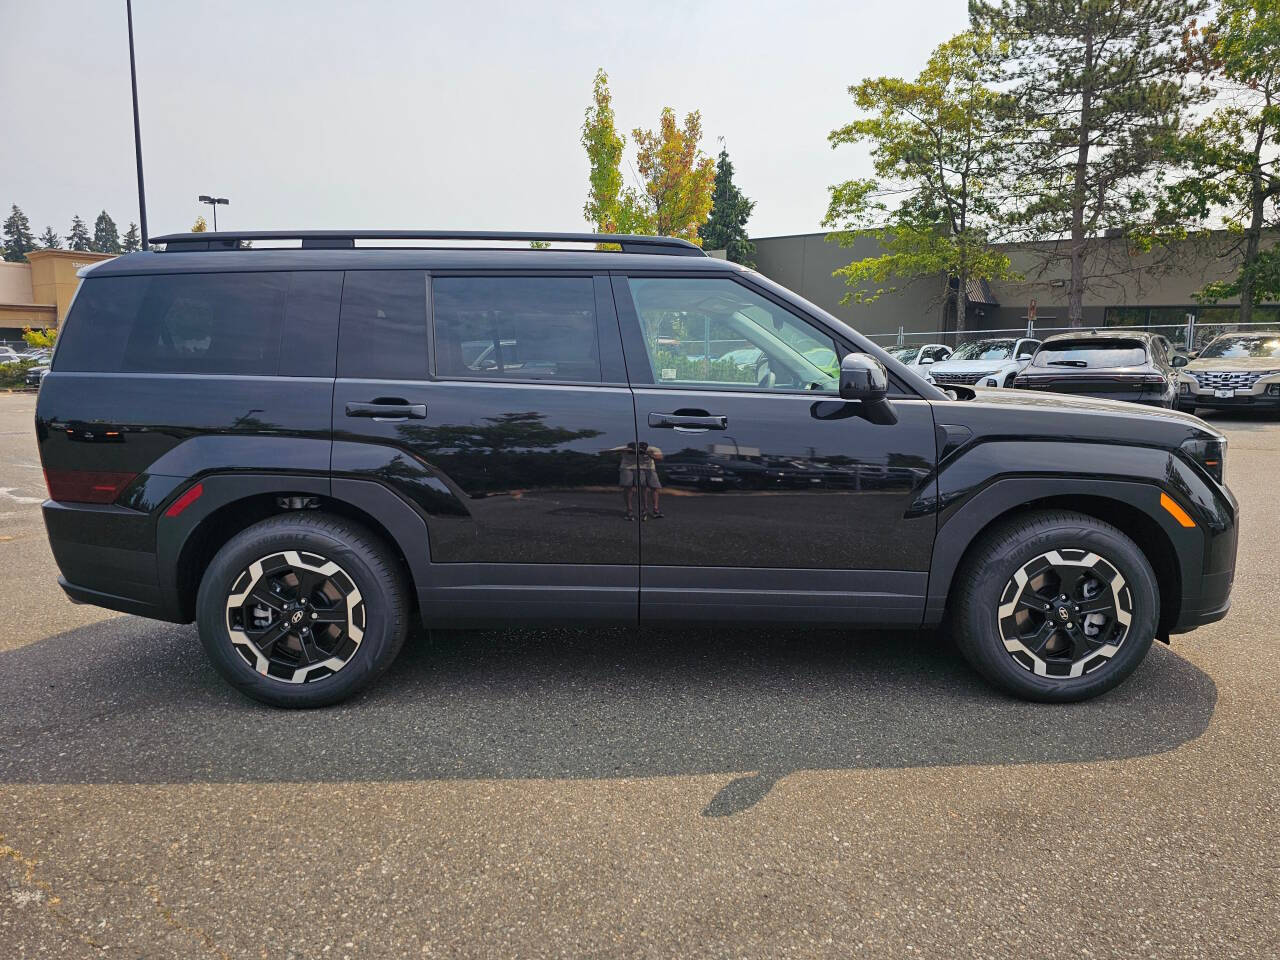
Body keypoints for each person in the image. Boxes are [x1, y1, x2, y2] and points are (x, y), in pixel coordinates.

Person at [619, 441, 664, 520]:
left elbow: (660, 457)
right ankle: (630, 510)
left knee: (654, 487)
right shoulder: (623, 449)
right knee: (630, 487)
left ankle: (655, 509)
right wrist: (626, 451)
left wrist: (647, 453)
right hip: (628, 467)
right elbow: (609, 452)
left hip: (648, 468)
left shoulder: (652, 449)